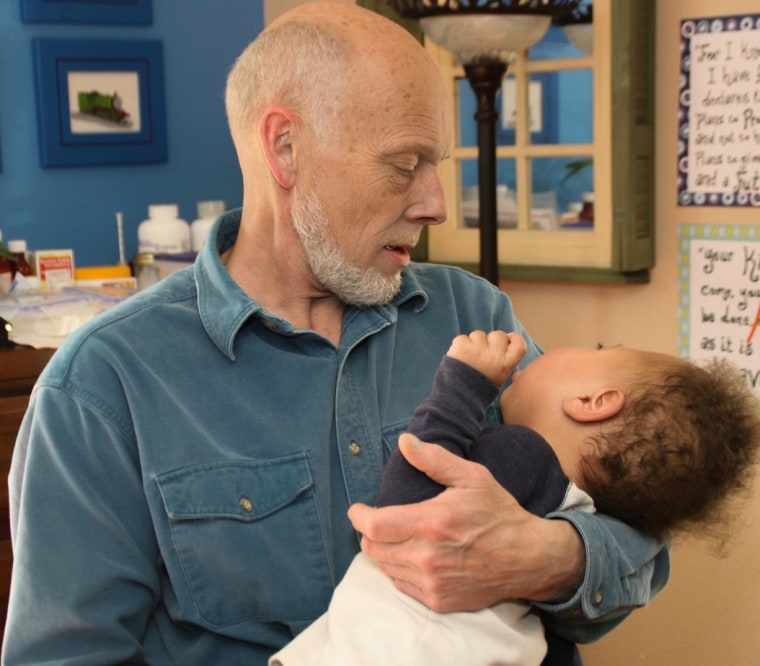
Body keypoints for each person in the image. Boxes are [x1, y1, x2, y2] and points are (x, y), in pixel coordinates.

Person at [3, 4, 669, 664]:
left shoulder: (473, 316)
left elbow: (636, 540)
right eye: (405, 162)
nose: (435, 202)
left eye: (437, 163)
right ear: (285, 148)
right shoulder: (103, 385)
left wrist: (541, 558)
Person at [270, 330, 760, 665]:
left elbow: (405, 517)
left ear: (594, 403)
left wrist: (462, 386)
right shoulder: (581, 502)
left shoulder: (520, 453)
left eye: (597, 348)